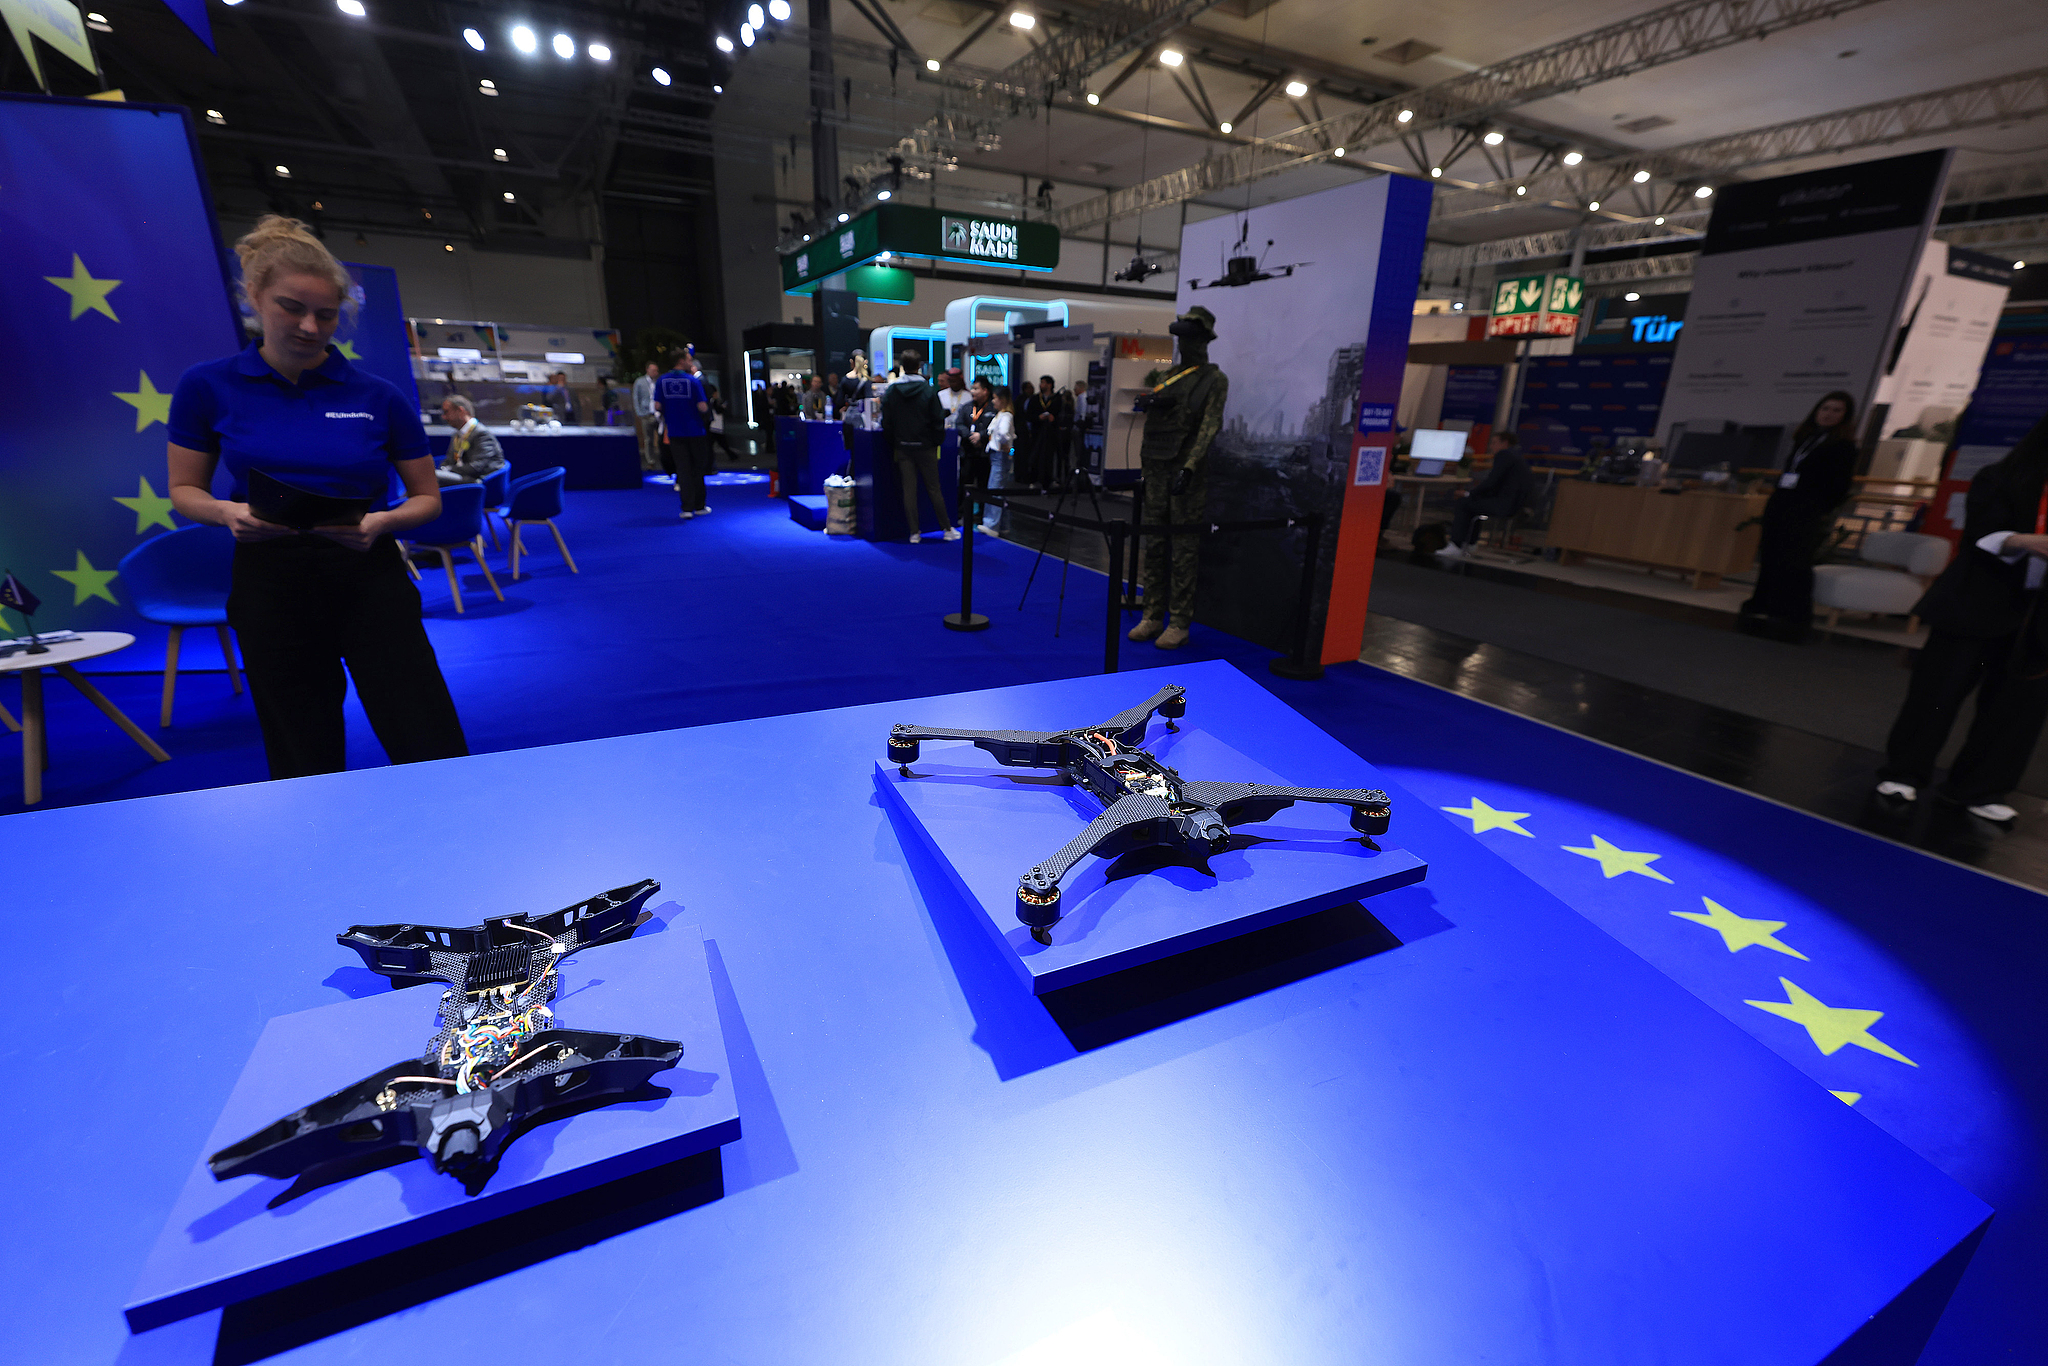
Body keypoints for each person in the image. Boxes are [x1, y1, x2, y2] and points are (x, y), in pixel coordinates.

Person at [164, 214, 465, 780]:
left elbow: (427, 499)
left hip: (368, 575)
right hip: (270, 581)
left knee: (426, 733)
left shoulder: (378, 395)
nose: (309, 326)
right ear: (254, 297)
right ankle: (319, 854)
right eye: (291, 308)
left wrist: (380, 523)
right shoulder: (207, 386)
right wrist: (228, 512)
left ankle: (465, 846)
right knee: (302, 748)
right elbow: (184, 491)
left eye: (326, 315)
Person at [1876, 414, 2048, 824]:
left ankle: (1979, 788)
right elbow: (1982, 537)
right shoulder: (2001, 478)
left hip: (2036, 620)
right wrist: (2028, 541)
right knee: (1938, 693)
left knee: (2017, 710)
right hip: (1976, 604)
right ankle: (1904, 773)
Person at [1131, 307, 1227, 651]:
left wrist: (1189, 467)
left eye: (1191, 337)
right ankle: (1152, 613)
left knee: (1184, 550)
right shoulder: (1167, 377)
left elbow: (1209, 425)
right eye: (1181, 337)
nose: (1185, 343)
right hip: (1156, 467)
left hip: (1185, 472)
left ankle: (1180, 621)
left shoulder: (1213, 380)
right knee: (1155, 544)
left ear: (1204, 340)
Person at [1740, 390, 1859, 641]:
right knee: (1771, 554)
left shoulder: (1843, 447)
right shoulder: (1805, 438)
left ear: (1844, 416)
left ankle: (1792, 612)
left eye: (1836, 410)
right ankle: (1764, 602)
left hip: (1806, 507)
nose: (1829, 414)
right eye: (1825, 408)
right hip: (1783, 502)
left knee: (1795, 558)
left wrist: (1819, 507)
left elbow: (1840, 485)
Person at [881, 350, 958, 544]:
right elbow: (937, 419)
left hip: (903, 447)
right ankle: (946, 529)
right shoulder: (928, 390)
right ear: (919, 366)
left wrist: (894, 441)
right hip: (926, 446)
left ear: (902, 366)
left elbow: (887, 421)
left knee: (909, 490)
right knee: (934, 488)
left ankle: (914, 532)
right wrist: (936, 441)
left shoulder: (892, 390)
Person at [1437, 432, 1533, 557]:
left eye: (1494, 443)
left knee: (1463, 504)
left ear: (1504, 443)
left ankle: (1457, 545)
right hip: (1515, 504)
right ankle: (1470, 544)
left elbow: (1492, 482)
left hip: (1505, 505)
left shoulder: (1504, 455)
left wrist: (1469, 494)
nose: (1491, 447)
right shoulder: (1516, 456)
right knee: (1474, 505)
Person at [656, 353, 713, 519]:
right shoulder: (693, 381)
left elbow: (658, 405)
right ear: (681, 361)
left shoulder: (662, 381)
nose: (691, 363)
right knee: (698, 469)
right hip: (695, 431)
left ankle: (686, 508)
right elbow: (702, 406)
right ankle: (699, 505)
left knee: (683, 470)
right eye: (689, 360)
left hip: (675, 432)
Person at [434, 395, 505, 485]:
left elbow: (477, 467)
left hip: (476, 482)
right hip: (462, 475)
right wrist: (445, 469)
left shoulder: (482, 434)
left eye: (446, 412)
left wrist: (449, 469)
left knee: (433, 477)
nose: (444, 417)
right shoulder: (457, 435)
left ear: (460, 411)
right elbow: (449, 460)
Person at [954, 377, 996, 526]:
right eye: (972, 388)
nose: (972, 391)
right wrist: (969, 435)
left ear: (985, 391)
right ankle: (961, 513)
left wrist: (982, 436)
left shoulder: (993, 408)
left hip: (984, 454)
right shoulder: (966, 407)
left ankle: (983, 515)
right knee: (964, 484)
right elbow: (958, 423)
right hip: (967, 453)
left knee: (984, 485)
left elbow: (996, 428)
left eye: (976, 388)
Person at [984, 385, 1016, 532]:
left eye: (995, 398)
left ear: (1002, 399)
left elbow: (1004, 434)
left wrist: (1006, 446)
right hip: (998, 456)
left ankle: (991, 524)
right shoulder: (1001, 415)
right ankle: (1004, 525)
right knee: (999, 490)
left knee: (995, 490)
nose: (993, 401)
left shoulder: (1006, 416)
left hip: (999, 456)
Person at [632, 361, 661, 471]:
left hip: (658, 414)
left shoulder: (659, 382)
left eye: (656, 370)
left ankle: (663, 459)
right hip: (646, 414)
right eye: (653, 370)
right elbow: (636, 398)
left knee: (661, 438)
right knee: (648, 439)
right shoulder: (640, 382)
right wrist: (639, 413)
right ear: (647, 370)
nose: (655, 373)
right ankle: (650, 461)